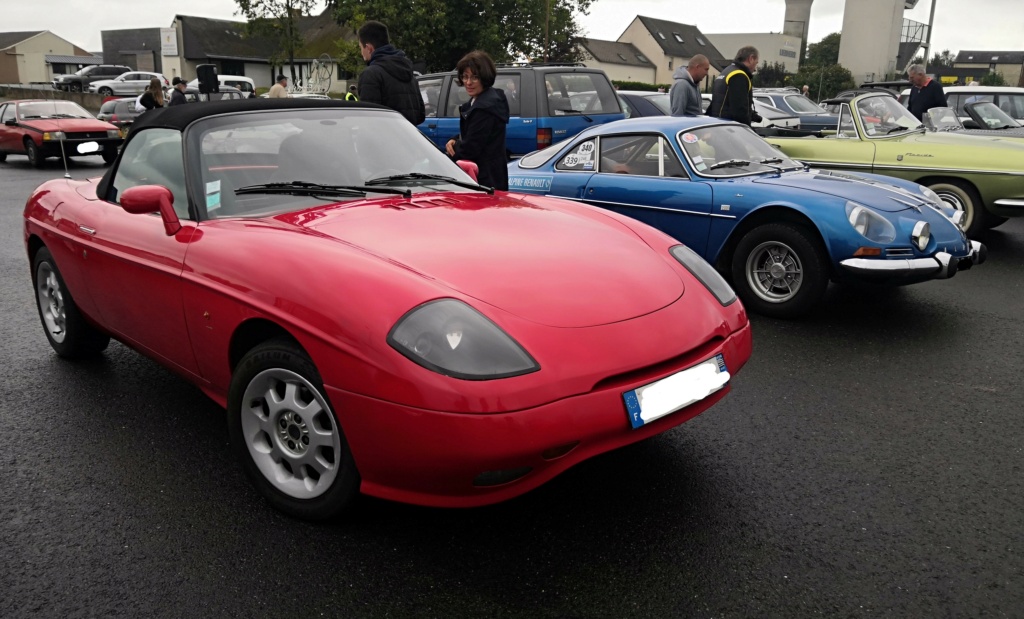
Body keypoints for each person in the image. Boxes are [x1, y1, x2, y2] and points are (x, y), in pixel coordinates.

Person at [444, 50, 509, 191]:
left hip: (484, 181)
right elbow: (472, 134)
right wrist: (455, 139)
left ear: (484, 77)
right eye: (465, 76)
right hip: (488, 178)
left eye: (474, 77)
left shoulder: (485, 107)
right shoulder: (479, 102)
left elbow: (471, 148)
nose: (468, 82)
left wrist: (451, 150)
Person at [356, 20, 425, 125]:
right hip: (410, 139)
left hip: (383, 139)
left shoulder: (371, 75)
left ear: (369, 48)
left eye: (360, 47)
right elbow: (420, 116)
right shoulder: (410, 74)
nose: (361, 53)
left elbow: (368, 120)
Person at [707, 46, 762, 126]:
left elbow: (721, 103)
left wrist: (755, 116)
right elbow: (739, 110)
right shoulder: (739, 75)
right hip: (730, 129)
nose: (755, 69)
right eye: (756, 63)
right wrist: (747, 130)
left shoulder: (726, 72)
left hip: (718, 124)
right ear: (751, 58)